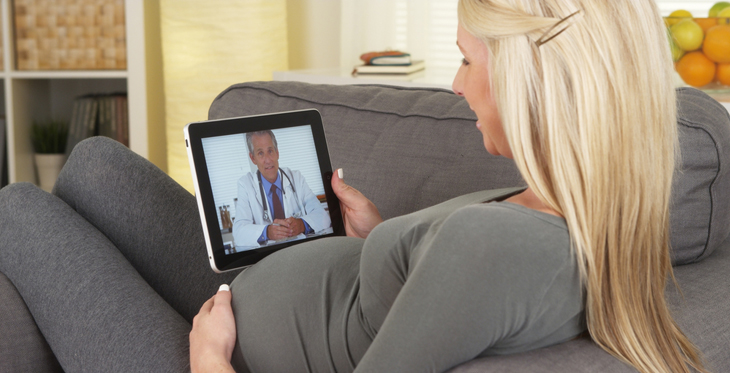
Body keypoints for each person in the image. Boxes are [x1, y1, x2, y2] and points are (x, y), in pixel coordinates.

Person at [0, 1, 708, 373]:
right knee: (93, 161)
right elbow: (435, 294)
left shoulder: (505, 251)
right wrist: (378, 240)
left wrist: (208, 355)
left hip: (223, 351)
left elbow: (468, 269)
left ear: (534, 84)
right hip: (263, 302)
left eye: (465, 62)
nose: (458, 85)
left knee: (20, 208)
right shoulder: (564, 210)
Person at [233, 130, 331, 248]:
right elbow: (239, 233)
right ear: (253, 158)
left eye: (270, 151)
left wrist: (302, 224)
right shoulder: (245, 184)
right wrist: (267, 232)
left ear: (277, 152)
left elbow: (323, 216)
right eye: (260, 153)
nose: (268, 160)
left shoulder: (296, 178)